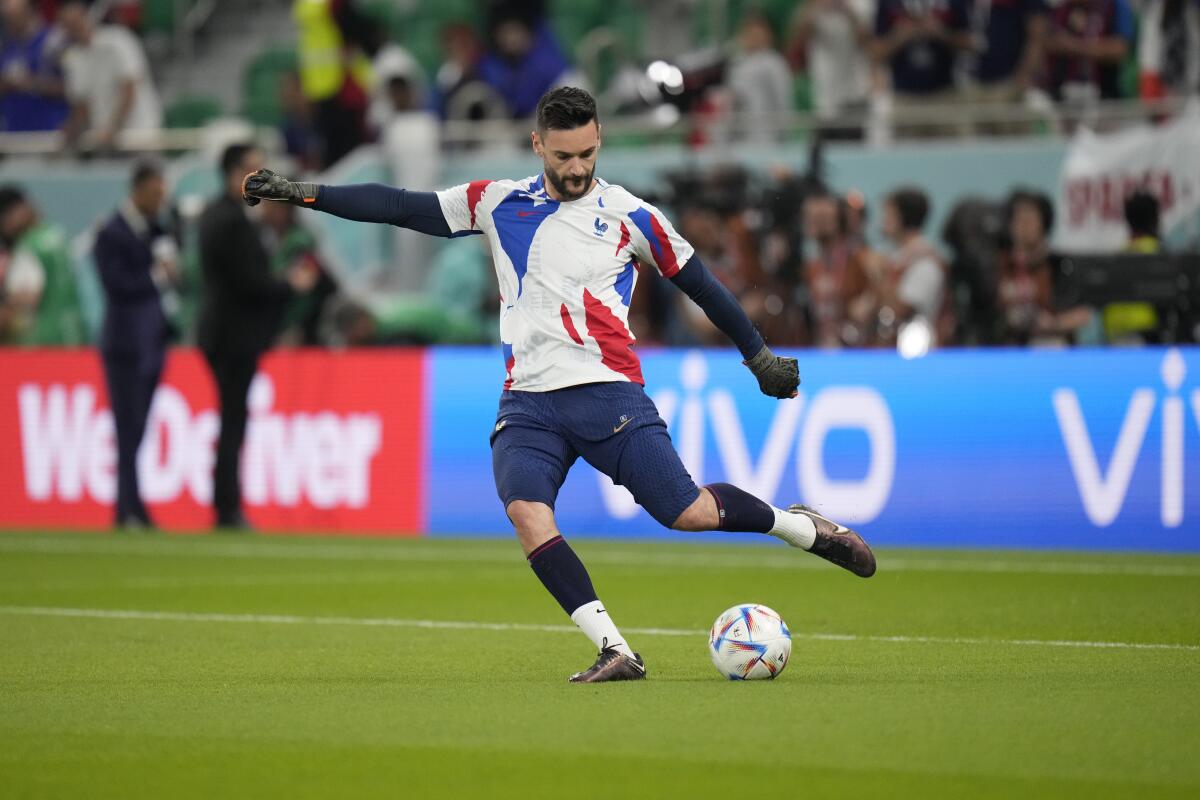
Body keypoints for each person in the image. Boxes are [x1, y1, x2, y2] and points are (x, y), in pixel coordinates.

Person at [242, 87, 876, 683]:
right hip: (527, 405)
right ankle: (614, 648)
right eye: (566, 155)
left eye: (589, 154)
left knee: (689, 513)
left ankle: (801, 528)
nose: (578, 168)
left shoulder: (631, 214)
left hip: (608, 394)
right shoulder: (495, 201)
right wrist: (308, 194)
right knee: (526, 511)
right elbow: (402, 207)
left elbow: (701, 284)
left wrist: (758, 356)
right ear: (537, 144)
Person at [198, 143, 318, 529]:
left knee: (233, 419)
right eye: (253, 170)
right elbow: (248, 282)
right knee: (233, 420)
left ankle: (226, 504)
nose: (261, 178)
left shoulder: (223, 216)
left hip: (225, 333)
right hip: (232, 336)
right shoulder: (230, 220)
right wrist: (290, 284)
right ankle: (227, 508)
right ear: (235, 175)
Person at [93, 160, 177, 529]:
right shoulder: (111, 232)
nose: (161, 201)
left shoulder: (157, 229)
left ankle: (132, 506)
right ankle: (127, 507)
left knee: (140, 425)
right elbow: (116, 285)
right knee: (127, 425)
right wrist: (156, 276)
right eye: (156, 193)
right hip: (124, 343)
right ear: (138, 190)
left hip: (153, 341)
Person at [57, 0, 161, 153]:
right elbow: (81, 106)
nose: (74, 28)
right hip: (105, 141)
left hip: (139, 134)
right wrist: (71, 128)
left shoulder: (119, 41)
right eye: (68, 24)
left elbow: (129, 89)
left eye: (76, 21)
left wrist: (112, 128)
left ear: (86, 17)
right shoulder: (72, 58)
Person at [873, 0, 973, 137]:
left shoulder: (953, 3)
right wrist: (901, 36)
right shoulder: (888, 3)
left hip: (944, 96)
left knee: (950, 152)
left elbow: (970, 43)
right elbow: (876, 53)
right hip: (905, 99)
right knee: (906, 155)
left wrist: (941, 33)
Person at [0, 183, 85, 345]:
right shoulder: (58, 235)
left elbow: (27, 299)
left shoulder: (29, 246)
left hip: (45, 338)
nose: (5, 228)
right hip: (74, 331)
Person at [0, 0, 69, 132]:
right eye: (6, 16)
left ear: (31, 11)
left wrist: (29, 83)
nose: (9, 21)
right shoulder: (6, 46)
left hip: (47, 134)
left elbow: (72, 88)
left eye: (15, 15)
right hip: (12, 134)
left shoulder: (54, 41)